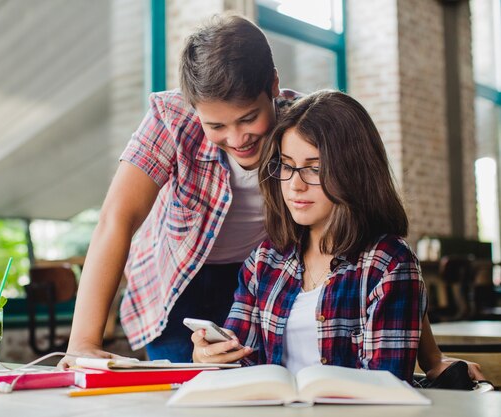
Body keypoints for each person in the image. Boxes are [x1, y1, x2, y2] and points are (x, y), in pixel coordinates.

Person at [58, 14, 484, 382]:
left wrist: (432, 359)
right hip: (178, 287)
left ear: (274, 87)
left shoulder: (303, 131)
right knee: (189, 393)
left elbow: (387, 261)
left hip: (260, 281)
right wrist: (83, 342)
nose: (237, 138)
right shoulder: (170, 120)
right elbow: (117, 220)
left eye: (248, 118)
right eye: (216, 126)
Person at [191, 90, 425, 382]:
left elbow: (386, 385)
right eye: (287, 165)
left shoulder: (389, 264)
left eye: (314, 169)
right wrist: (210, 356)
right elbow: (239, 367)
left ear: (353, 171)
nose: (295, 186)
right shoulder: (264, 261)